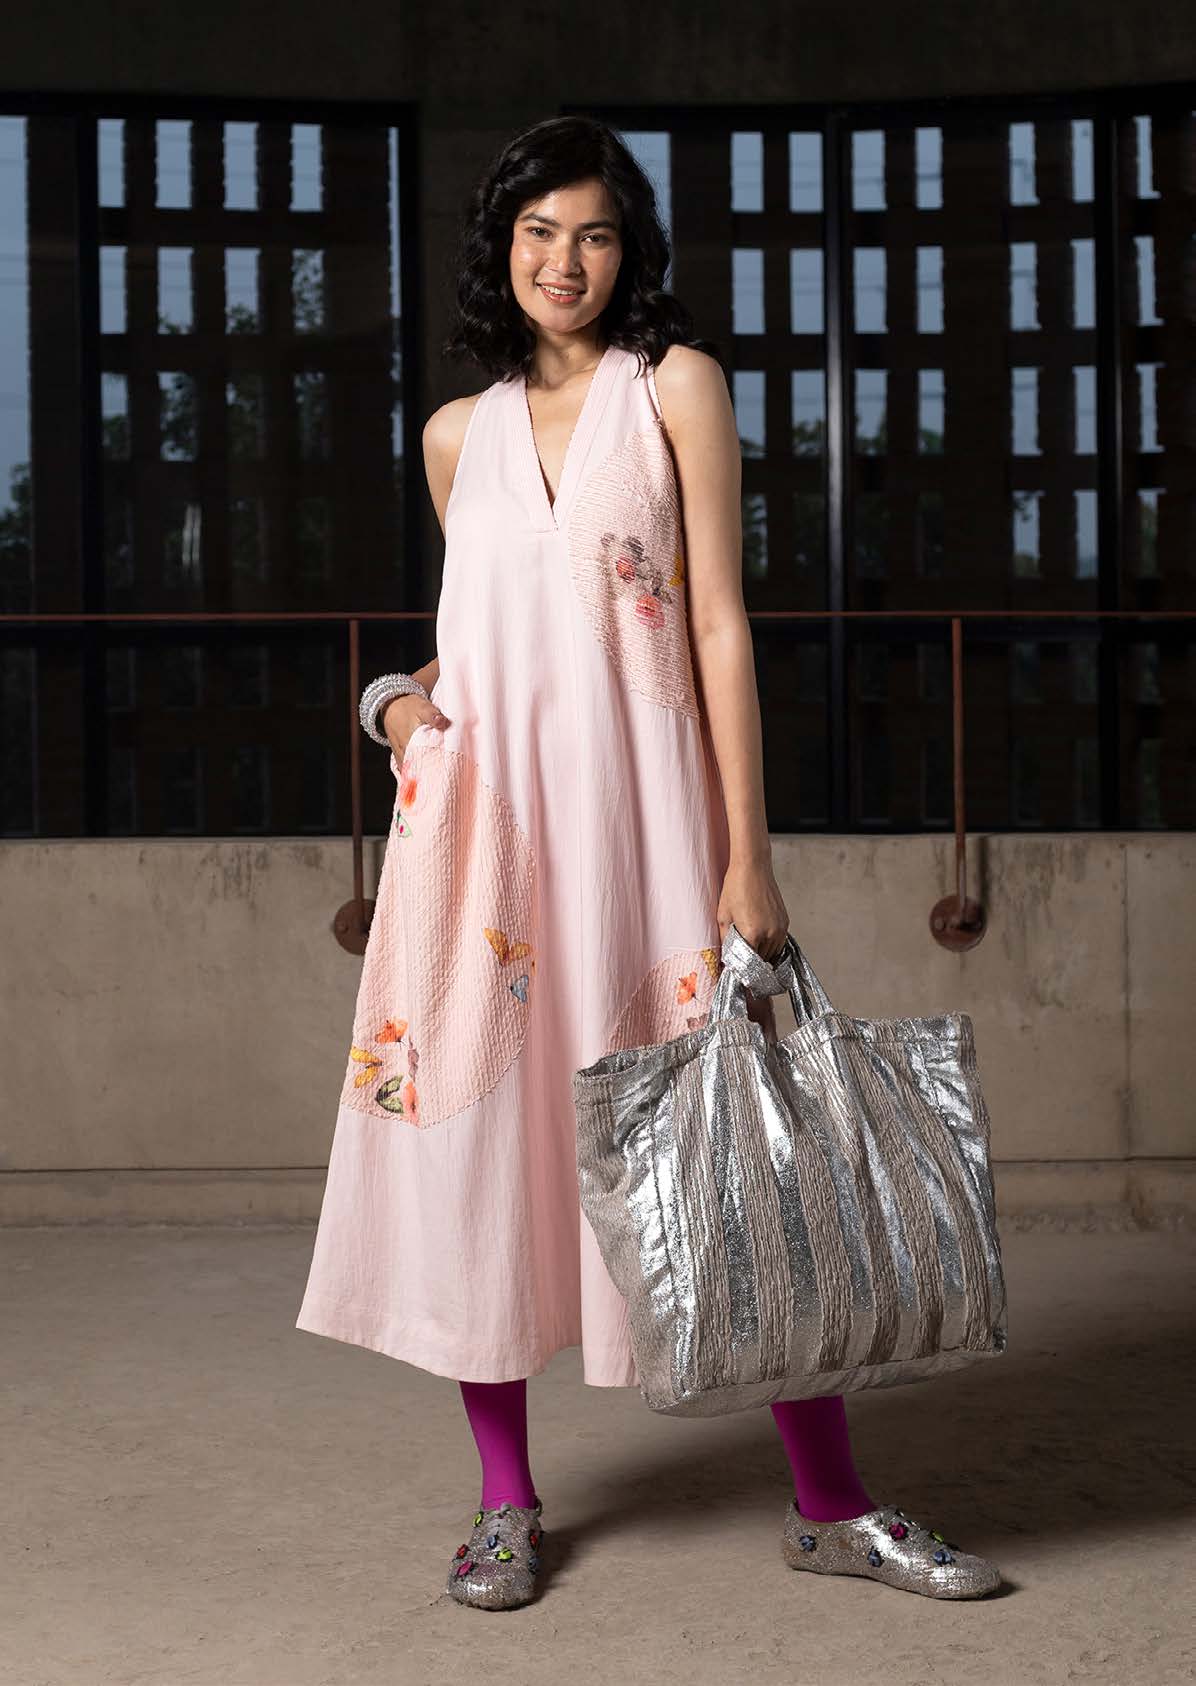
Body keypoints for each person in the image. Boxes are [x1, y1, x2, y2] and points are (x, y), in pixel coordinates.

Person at [295, 114, 1002, 1609]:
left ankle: (832, 1498)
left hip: (649, 833)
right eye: (540, 231)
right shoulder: (452, 436)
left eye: (597, 233)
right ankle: (504, 1500)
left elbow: (719, 626)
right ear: (502, 246)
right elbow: (479, 644)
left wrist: (749, 850)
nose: (568, 260)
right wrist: (395, 709)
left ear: (631, 252)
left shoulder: (672, 389)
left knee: (747, 1156)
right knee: (482, 1156)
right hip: (483, 857)